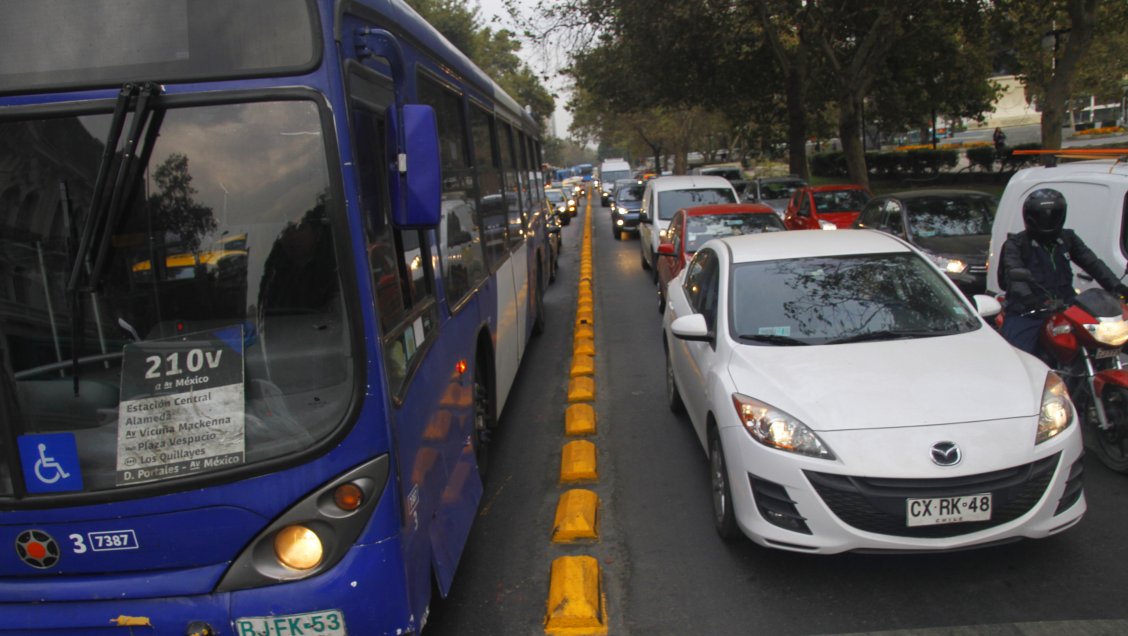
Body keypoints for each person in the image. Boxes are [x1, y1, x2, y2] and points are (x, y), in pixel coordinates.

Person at [999, 188, 1128, 358]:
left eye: (1052, 215)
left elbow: (1092, 263)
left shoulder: (1067, 238)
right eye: (1042, 216)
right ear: (1030, 216)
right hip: (1028, 311)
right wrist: (1030, 300)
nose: (1047, 220)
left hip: (1066, 306)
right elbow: (1014, 274)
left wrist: (1117, 286)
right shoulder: (1016, 244)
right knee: (1019, 356)